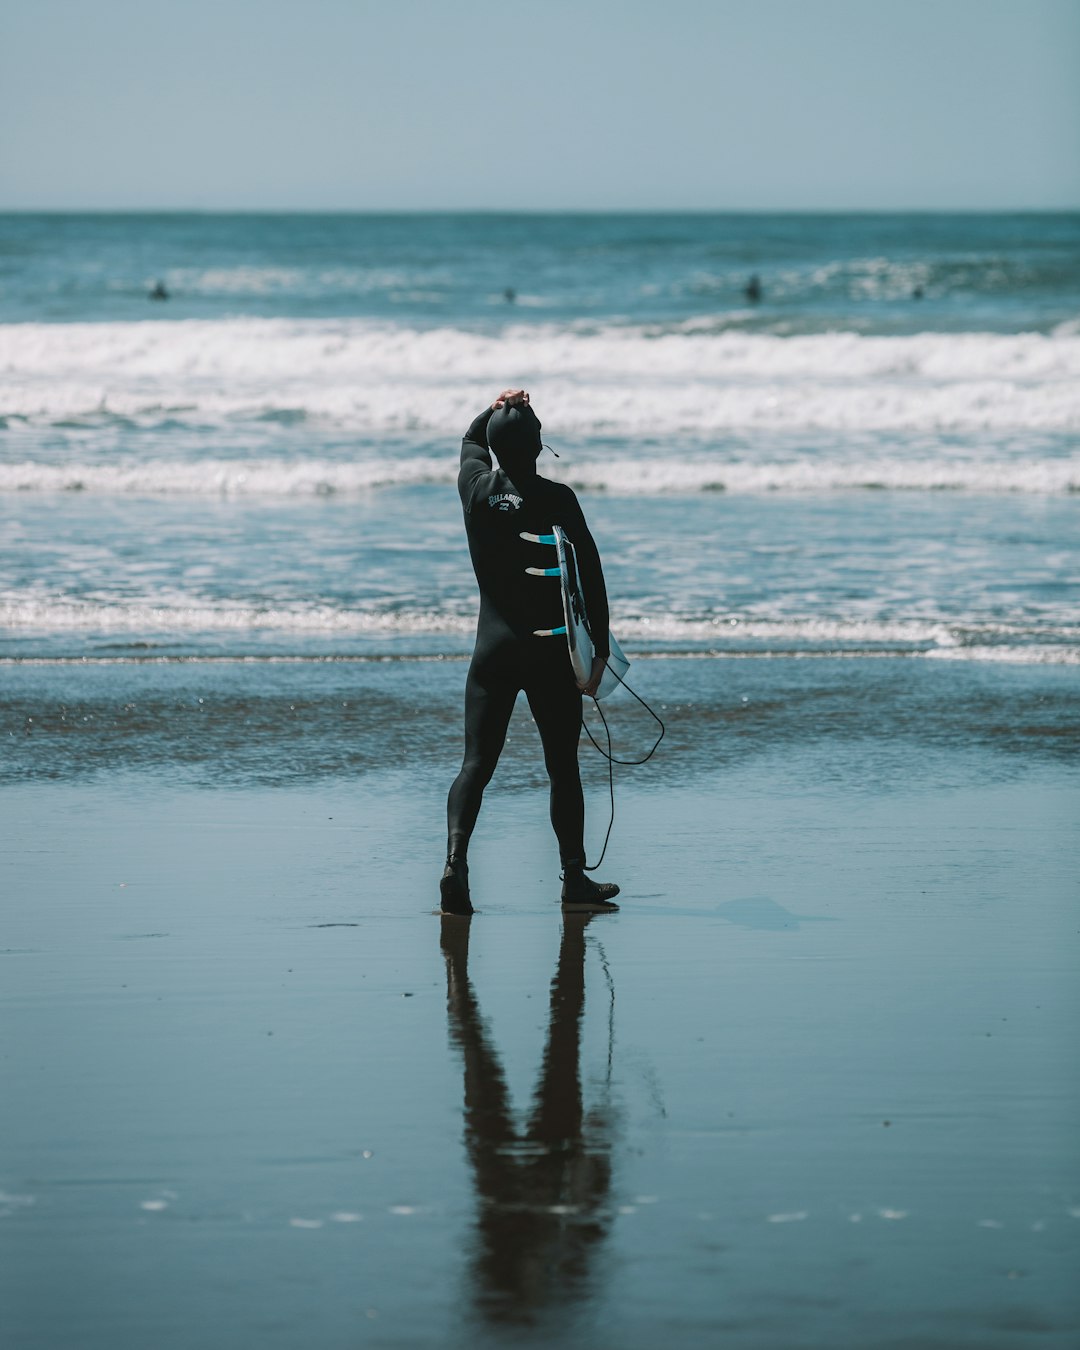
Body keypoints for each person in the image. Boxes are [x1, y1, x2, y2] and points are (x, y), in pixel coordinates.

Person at [441, 389, 620, 916]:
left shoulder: (474, 489)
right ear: (540, 445)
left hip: (492, 653)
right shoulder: (559, 498)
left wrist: (494, 407)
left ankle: (455, 866)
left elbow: (469, 440)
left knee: (476, 764)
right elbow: (591, 571)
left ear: (496, 449)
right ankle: (573, 879)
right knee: (563, 767)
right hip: (548, 655)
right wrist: (601, 647)